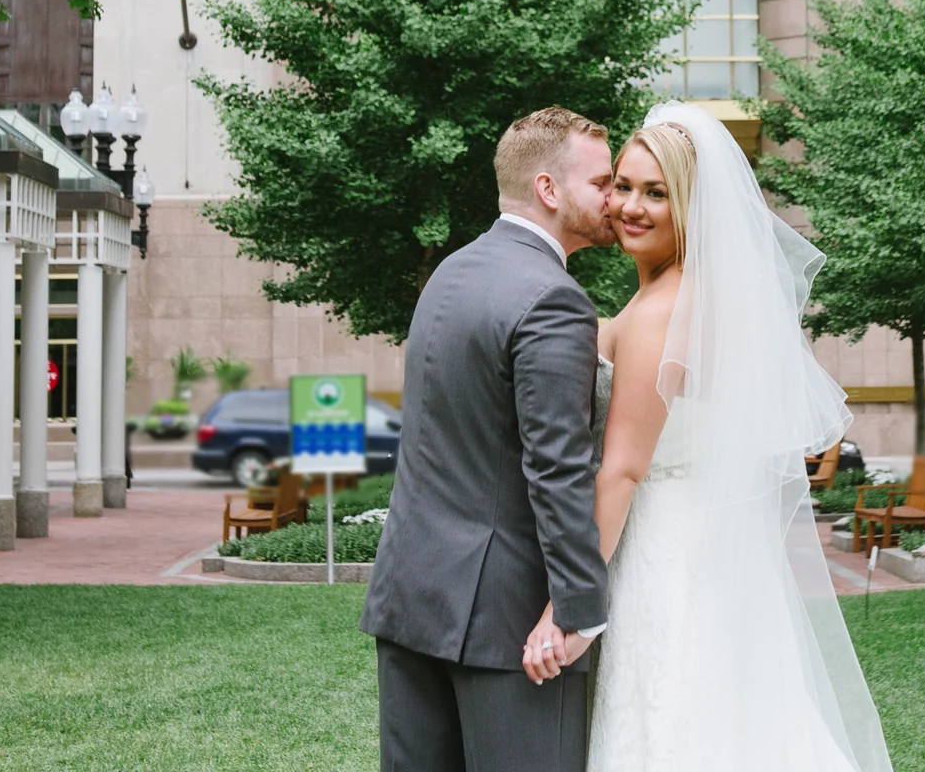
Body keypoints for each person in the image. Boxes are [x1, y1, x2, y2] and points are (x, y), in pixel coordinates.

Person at [520, 103, 894, 772]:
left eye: (657, 193)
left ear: (691, 206)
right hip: (707, 543)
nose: (632, 207)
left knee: (671, 719)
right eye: (623, 186)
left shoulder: (663, 310)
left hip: (667, 550)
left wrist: (568, 607)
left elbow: (622, 470)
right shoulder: (676, 295)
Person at [362, 106, 619, 772]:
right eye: (601, 182)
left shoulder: (451, 272)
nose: (613, 198)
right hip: (510, 624)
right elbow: (556, 469)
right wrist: (578, 610)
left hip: (410, 595)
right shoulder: (555, 298)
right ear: (548, 189)